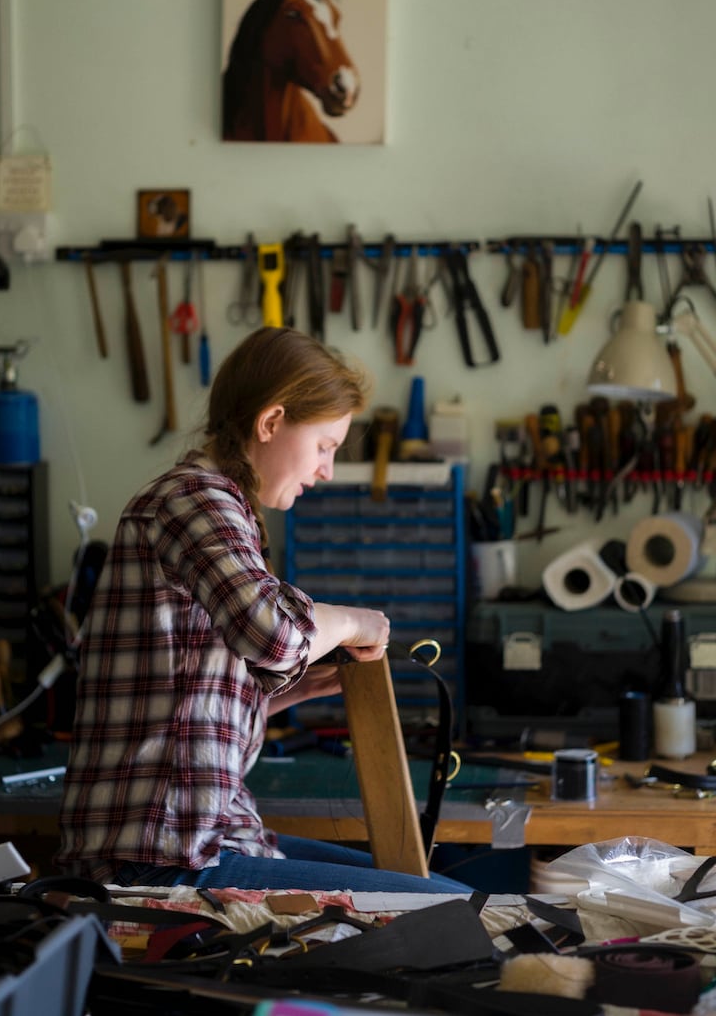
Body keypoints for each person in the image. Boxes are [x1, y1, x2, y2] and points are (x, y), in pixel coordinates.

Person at [56, 326, 469, 894]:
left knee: (421, 888)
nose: (326, 469)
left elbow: (182, 708)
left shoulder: (223, 508)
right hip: (159, 855)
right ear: (271, 423)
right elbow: (275, 636)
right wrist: (354, 621)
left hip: (202, 838)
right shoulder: (194, 499)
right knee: (459, 910)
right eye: (324, 446)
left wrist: (281, 695)